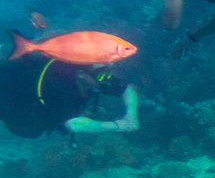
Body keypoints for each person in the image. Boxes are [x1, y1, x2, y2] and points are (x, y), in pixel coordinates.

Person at [0, 55, 138, 138]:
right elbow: (75, 125)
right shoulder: (61, 87)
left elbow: (126, 89)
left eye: (106, 70)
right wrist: (117, 126)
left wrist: (131, 115)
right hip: (13, 101)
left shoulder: (94, 75)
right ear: (82, 75)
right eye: (99, 72)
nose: (104, 77)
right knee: (29, 131)